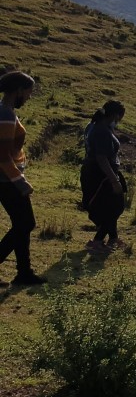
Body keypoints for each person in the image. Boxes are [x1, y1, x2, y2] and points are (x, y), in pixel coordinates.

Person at [0, 71, 44, 286]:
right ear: (18, 90)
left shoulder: (7, 111)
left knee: (22, 224)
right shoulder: (5, 115)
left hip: (7, 177)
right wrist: (20, 181)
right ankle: (23, 271)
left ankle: (24, 272)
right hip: (6, 180)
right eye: (28, 92)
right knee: (26, 223)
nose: (29, 96)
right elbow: (2, 155)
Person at [82, 101, 129, 254]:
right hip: (102, 175)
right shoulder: (102, 131)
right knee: (115, 208)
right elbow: (101, 157)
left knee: (110, 206)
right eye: (120, 117)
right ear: (116, 115)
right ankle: (97, 241)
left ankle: (113, 238)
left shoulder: (93, 125)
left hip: (95, 172)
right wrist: (114, 180)